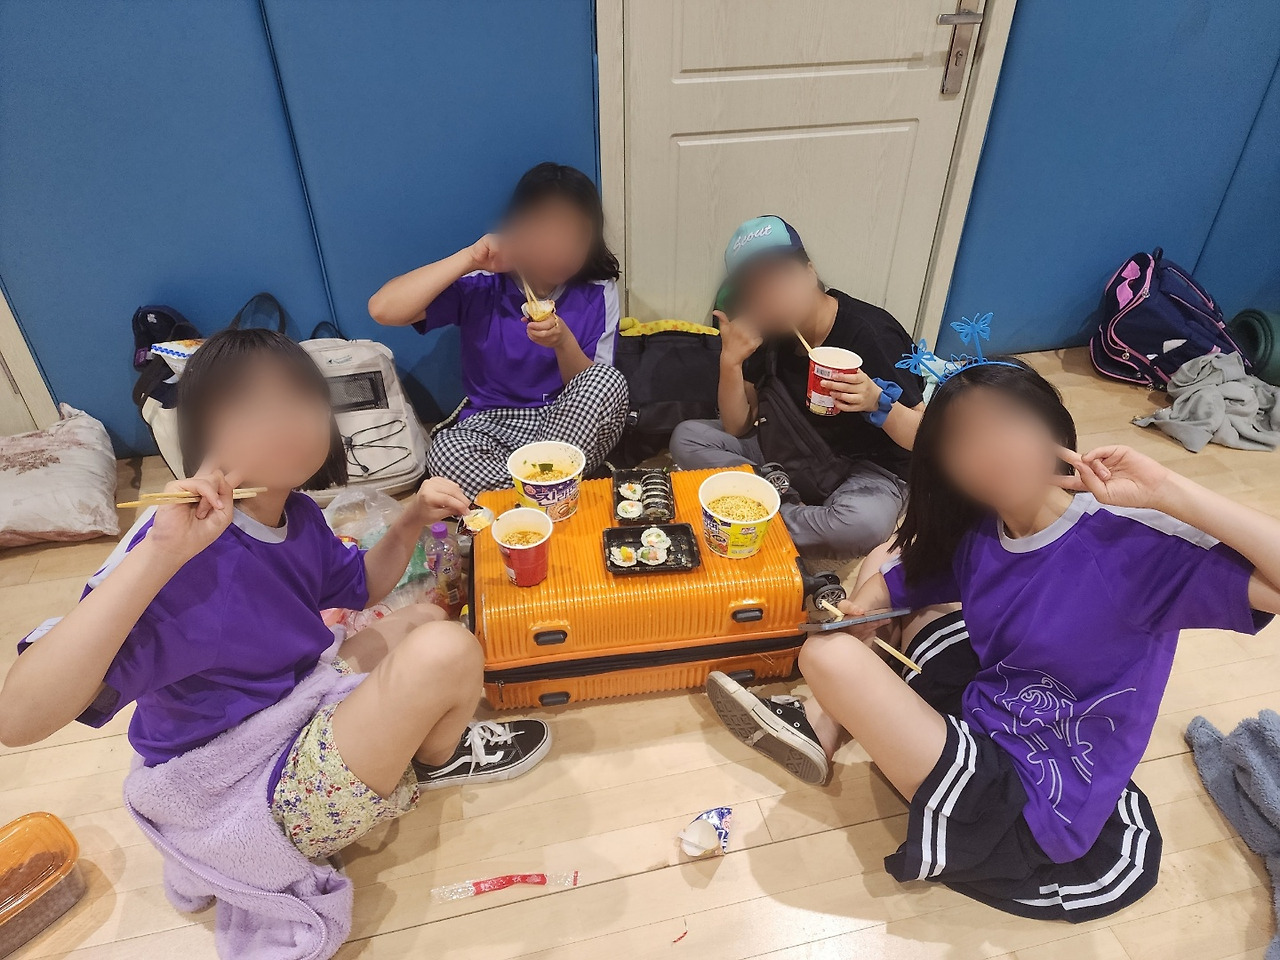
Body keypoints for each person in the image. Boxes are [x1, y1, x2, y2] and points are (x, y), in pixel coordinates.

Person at [0, 329, 551, 952]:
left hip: (288, 710)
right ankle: (432, 763)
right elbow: (18, 719)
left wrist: (414, 517)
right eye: (248, 404)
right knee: (447, 652)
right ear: (201, 432)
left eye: (301, 397)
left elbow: (361, 587)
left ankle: (418, 751)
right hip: (240, 782)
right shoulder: (177, 550)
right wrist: (158, 555)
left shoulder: (297, 514)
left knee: (425, 621)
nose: (284, 418)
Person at [705, 359, 1280, 921]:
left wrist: (1167, 490)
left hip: (1032, 800)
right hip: (988, 708)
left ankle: (822, 718)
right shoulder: (983, 529)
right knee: (886, 559)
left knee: (827, 654)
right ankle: (825, 724)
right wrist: (868, 608)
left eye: (1008, 424)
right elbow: (902, 575)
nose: (991, 451)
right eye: (965, 440)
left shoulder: (1134, 545)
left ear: (1054, 430)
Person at [369, 162, 628, 498]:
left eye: (576, 236)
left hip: (566, 421)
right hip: (491, 424)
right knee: (445, 454)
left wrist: (563, 341)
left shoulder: (598, 290)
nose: (559, 249)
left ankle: (525, 492)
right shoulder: (482, 284)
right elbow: (383, 309)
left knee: (608, 381)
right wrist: (470, 258)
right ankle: (553, 486)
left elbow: (592, 387)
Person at [669, 216, 924, 557]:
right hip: (787, 452)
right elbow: (738, 426)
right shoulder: (767, 330)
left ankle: (759, 515)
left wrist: (876, 401)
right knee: (687, 437)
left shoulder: (871, 332)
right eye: (755, 289)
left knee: (862, 525)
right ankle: (777, 501)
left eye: (780, 277)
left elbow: (924, 438)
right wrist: (730, 362)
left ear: (809, 272)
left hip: (866, 469)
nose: (771, 295)